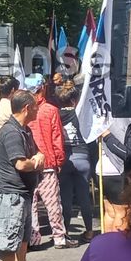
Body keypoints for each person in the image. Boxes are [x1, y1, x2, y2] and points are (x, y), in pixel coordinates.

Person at [0, 90, 44, 261]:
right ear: (26, 108)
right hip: (10, 195)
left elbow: (36, 153)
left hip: (23, 193)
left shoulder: (25, 130)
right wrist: (37, 161)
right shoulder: (12, 132)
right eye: (35, 107)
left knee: (23, 241)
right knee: (8, 242)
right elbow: (21, 164)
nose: (37, 110)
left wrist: (38, 156)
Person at [25, 75, 71, 248]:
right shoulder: (51, 110)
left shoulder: (22, 108)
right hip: (48, 163)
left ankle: (33, 237)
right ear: (42, 87)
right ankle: (59, 236)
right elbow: (57, 137)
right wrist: (59, 160)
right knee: (52, 203)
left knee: (31, 204)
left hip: (27, 163)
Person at [57, 83, 96, 241]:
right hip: (83, 157)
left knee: (65, 197)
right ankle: (89, 231)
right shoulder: (82, 114)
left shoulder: (57, 114)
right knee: (84, 196)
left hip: (66, 158)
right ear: (75, 99)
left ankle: (65, 231)